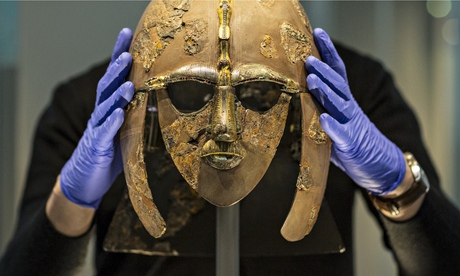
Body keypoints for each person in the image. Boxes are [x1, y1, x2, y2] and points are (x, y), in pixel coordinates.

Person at [1, 26, 460, 276]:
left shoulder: (346, 90)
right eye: (190, 93)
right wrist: (72, 199)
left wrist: (398, 181)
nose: (223, 126)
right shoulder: (93, 103)